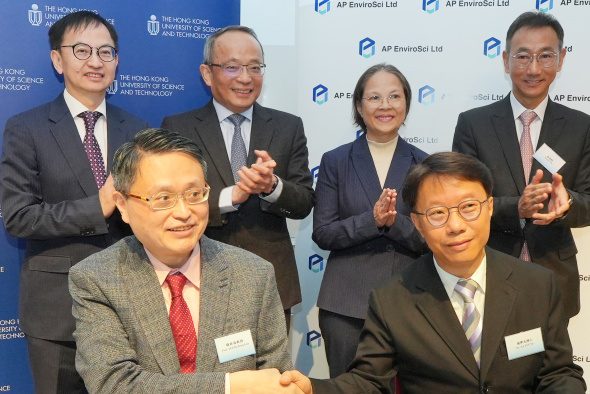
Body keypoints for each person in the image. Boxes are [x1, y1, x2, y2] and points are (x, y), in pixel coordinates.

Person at [281, 152, 585, 393]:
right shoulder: (392, 299)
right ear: (417, 223)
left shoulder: (537, 284)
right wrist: (311, 390)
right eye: (438, 213)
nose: (455, 226)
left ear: (490, 207)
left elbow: (557, 373)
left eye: (469, 207)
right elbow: (368, 383)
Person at [68, 128, 298, 393]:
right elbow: (115, 384)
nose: (183, 212)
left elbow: (276, 377)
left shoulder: (253, 273)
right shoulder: (97, 278)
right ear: (122, 205)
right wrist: (228, 387)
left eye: (194, 194)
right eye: (163, 199)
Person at [0, 11, 148, 393]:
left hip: (131, 305)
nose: (95, 61)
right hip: (56, 312)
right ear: (57, 59)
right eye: (81, 50)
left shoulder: (138, 131)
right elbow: (19, 217)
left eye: (106, 52)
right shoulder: (26, 128)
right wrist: (96, 206)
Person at [161, 26, 314, 330]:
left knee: (271, 377)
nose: (245, 78)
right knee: (211, 377)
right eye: (232, 67)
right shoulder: (178, 128)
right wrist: (232, 196)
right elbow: (170, 202)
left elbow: (304, 202)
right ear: (207, 73)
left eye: (254, 67)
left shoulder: (287, 127)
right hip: (200, 279)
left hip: (271, 284)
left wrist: (271, 186)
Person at [453, 11, 590, 319]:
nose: (533, 69)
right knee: (493, 365)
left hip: (554, 279)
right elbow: (461, 202)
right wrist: (517, 208)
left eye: (545, 56)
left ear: (561, 59)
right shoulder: (474, 124)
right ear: (505, 60)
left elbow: (589, 201)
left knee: (550, 367)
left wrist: (565, 204)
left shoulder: (581, 127)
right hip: (487, 273)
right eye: (523, 57)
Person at [312, 63, 427, 377]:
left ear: (406, 103)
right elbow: (322, 233)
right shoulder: (336, 160)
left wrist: (393, 222)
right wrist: (372, 221)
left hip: (408, 302)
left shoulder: (424, 164)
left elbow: (431, 239)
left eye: (394, 96)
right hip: (345, 305)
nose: (385, 105)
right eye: (374, 97)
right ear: (359, 106)